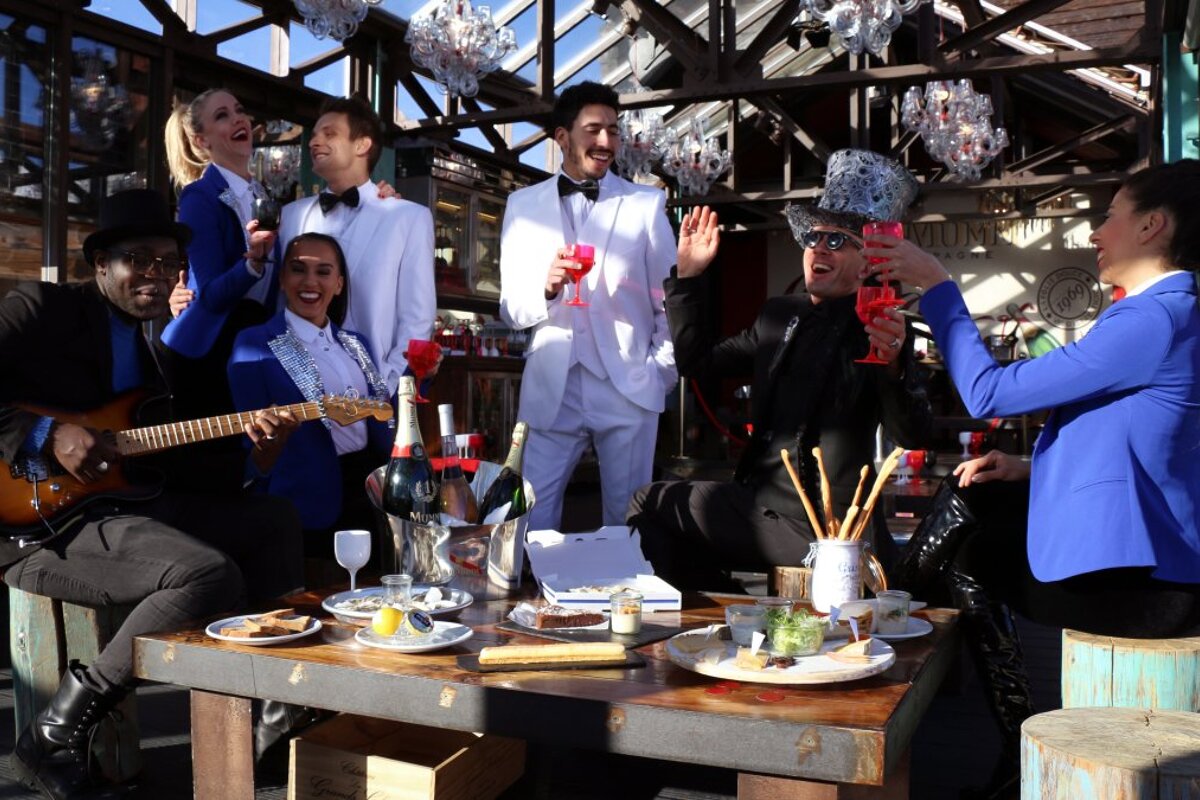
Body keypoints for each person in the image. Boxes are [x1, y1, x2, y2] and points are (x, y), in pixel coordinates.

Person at [879, 159, 1200, 799]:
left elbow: (986, 390)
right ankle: (901, 616)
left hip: (1148, 589)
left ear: (1153, 226)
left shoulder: (1153, 318)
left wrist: (940, 288)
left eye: (1110, 214)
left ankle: (900, 624)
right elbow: (1144, 438)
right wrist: (1028, 466)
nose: (1095, 233)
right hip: (1162, 572)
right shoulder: (1174, 314)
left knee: (970, 539)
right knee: (982, 498)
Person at [0, 189, 303, 799]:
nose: (156, 275)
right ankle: (52, 734)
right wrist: (46, 433)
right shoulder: (39, 307)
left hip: (126, 507)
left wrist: (258, 450)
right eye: (139, 259)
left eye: (169, 264)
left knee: (272, 520)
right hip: (39, 522)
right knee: (206, 575)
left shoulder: (160, 354)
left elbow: (189, 468)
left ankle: (275, 717)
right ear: (100, 265)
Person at [626, 149, 933, 591]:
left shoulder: (880, 324)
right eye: (813, 238)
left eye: (835, 241)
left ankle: (726, 612)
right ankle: (729, 609)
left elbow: (914, 434)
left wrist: (893, 368)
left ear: (867, 262)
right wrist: (689, 277)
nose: (817, 250)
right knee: (654, 502)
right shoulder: (778, 315)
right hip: (760, 507)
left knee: (648, 501)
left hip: (828, 530)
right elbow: (698, 364)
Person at [499, 81, 678, 531]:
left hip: (628, 385)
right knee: (529, 520)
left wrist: (659, 372)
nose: (606, 142)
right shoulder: (522, 205)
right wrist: (544, 289)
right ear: (562, 137)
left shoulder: (646, 205)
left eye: (614, 131)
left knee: (627, 519)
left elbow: (669, 302)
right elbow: (509, 309)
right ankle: (537, 600)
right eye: (594, 129)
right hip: (550, 387)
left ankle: (626, 600)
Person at [228, 233, 393, 559]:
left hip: (373, 494)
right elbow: (249, 446)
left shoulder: (356, 342)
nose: (310, 281)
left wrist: (422, 377)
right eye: (298, 269)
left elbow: (382, 410)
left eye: (323, 272)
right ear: (282, 279)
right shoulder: (253, 344)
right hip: (306, 504)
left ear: (339, 284)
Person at [277, 95, 436, 395]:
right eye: (314, 136)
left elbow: (417, 320)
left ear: (362, 145)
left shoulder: (408, 218)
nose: (314, 142)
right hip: (299, 392)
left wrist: (386, 388)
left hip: (373, 391)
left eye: (329, 134)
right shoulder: (291, 215)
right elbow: (278, 301)